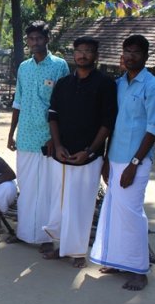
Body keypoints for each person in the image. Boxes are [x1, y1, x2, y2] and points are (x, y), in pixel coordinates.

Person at [90, 35, 155, 291]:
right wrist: (105, 159)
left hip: (136, 161)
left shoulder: (153, 87)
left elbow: (153, 129)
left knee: (132, 215)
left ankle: (139, 270)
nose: (130, 56)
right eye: (127, 51)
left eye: (135, 52)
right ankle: (116, 260)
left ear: (146, 56)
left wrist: (135, 163)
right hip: (114, 159)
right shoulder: (119, 84)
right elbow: (112, 124)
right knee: (113, 211)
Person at [41, 37, 117, 268]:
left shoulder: (106, 84)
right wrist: (58, 144)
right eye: (79, 51)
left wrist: (90, 150)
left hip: (88, 157)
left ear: (96, 55)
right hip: (61, 155)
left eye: (88, 51)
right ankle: (59, 246)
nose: (82, 55)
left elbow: (107, 123)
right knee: (59, 202)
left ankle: (77, 252)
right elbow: (53, 116)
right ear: (73, 54)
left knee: (81, 204)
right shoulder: (63, 83)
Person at [7, 21, 69, 251]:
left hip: (48, 138)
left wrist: (57, 138)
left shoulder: (59, 66)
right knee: (27, 187)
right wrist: (11, 133)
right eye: (31, 39)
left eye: (38, 38)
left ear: (47, 39)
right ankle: (24, 232)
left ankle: (45, 237)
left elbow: (64, 105)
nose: (34, 42)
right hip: (25, 137)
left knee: (48, 189)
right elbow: (18, 102)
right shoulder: (24, 67)